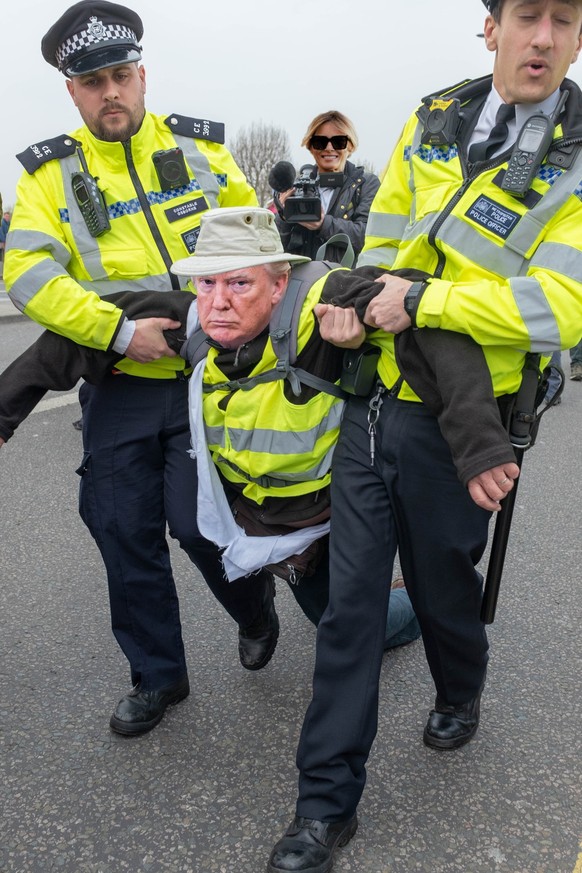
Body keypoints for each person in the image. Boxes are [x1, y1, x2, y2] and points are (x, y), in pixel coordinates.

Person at [267, 1, 582, 870]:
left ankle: (461, 685)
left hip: (467, 422)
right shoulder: (435, 117)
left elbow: (563, 306)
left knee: (444, 580)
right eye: (528, 14)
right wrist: (352, 310)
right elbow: (386, 243)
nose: (544, 36)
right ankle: (325, 805)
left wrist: (427, 303)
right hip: (373, 401)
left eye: (566, 17)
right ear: (493, 27)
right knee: (353, 606)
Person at [3, 0, 265, 738]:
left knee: (200, 524)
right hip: (118, 384)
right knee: (123, 530)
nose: (110, 92)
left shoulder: (202, 152)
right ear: (72, 91)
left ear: (142, 76)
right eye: (93, 82)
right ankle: (158, 676)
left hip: (206, 378)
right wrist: (116, 333)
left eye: (121, 75)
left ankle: (255, 608)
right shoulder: (48, 178)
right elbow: (27, 273)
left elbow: (256, 245)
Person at [0, 205, 422, 653]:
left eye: (240, 283)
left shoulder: (323, 301)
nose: (220, 301)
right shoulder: (197, 317)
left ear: (279, 284)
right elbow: (72, 341)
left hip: (349, 505)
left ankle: (429, 600)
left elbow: (415, 298)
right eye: (207, 282)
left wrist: (478, 448)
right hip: (285, 518)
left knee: (357, 630)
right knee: (327, 614)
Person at [274, 111, 380, 263]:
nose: (329, 148)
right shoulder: (297, 188)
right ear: (310, 147)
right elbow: (275, 248)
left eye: (338, 141)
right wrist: (283, 217)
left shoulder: (366, 184)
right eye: (320, 142)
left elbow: (369, 236)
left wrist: (324, 224)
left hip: (346, 280)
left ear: (350, 146)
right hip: (301, 279)